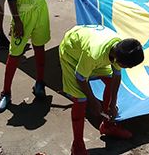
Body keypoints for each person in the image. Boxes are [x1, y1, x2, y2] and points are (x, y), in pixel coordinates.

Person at [59, 25, 144, 155]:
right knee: (80, 99)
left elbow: (116, 75)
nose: (127, 68)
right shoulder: (93, 54)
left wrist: (112, 104)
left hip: (88, 49)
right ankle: (77, 146)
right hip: (71, 52)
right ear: (117, 59)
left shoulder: (119, 48)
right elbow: (80, 77)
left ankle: (107, 126)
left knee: (110, 80)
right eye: (126, 66)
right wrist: (93, 101)